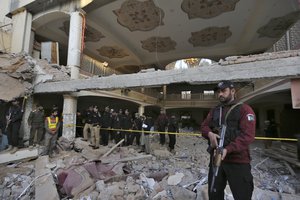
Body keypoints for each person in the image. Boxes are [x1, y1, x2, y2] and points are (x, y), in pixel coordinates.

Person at [201, 80, 256, 200]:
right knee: (214, 194)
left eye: (223, 91)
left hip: (238, 161)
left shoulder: (244, 110)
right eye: (218, 92)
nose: (220, 94)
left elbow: (248, 136)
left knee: (242, 195)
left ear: (232, 91)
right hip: (217, 159)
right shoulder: (215, 110)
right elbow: (204, 126)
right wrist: (210, 134)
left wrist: (228, 149)